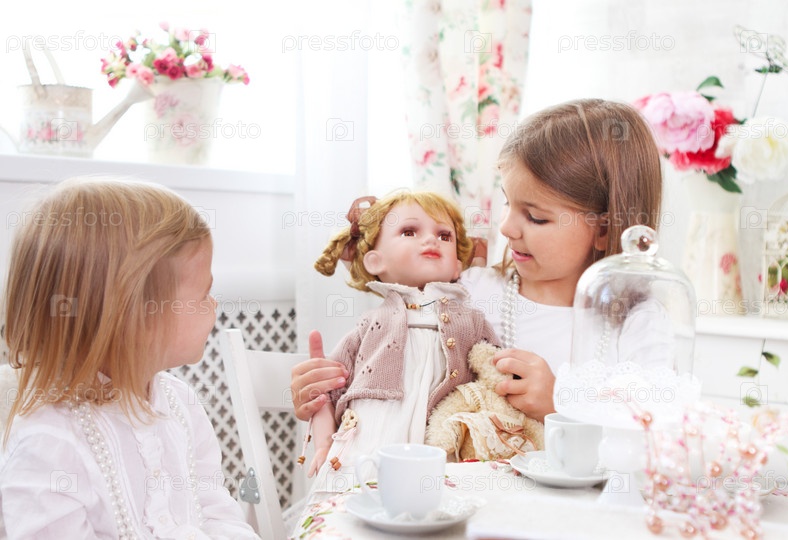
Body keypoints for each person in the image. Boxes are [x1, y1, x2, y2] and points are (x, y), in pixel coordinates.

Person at [292, 98, 663, 427]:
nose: (506, 227)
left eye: (535, 217)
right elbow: (384, 371)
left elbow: (654, 436)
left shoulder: (637, 323)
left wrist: (561, 402)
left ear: (604, 229)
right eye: (507, 203)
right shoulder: (466, 292)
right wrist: (322, 393)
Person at [0, 178, 259, 539]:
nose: (214, 304)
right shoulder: (49, 443)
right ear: (136, 316)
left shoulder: (181, 402)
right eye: (204, 294)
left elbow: (215, 510)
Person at [301, 191, 499, 494]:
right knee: (360, 504)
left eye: (444, 236)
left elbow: (497, 377)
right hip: (371, 442)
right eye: (409, 231)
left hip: (443, 448)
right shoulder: (370, 324)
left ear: (457, 267)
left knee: (440, 504)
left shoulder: (472, 322)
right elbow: (326, 392)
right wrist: (324, 444)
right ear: (375, 261)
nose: (431, 240)